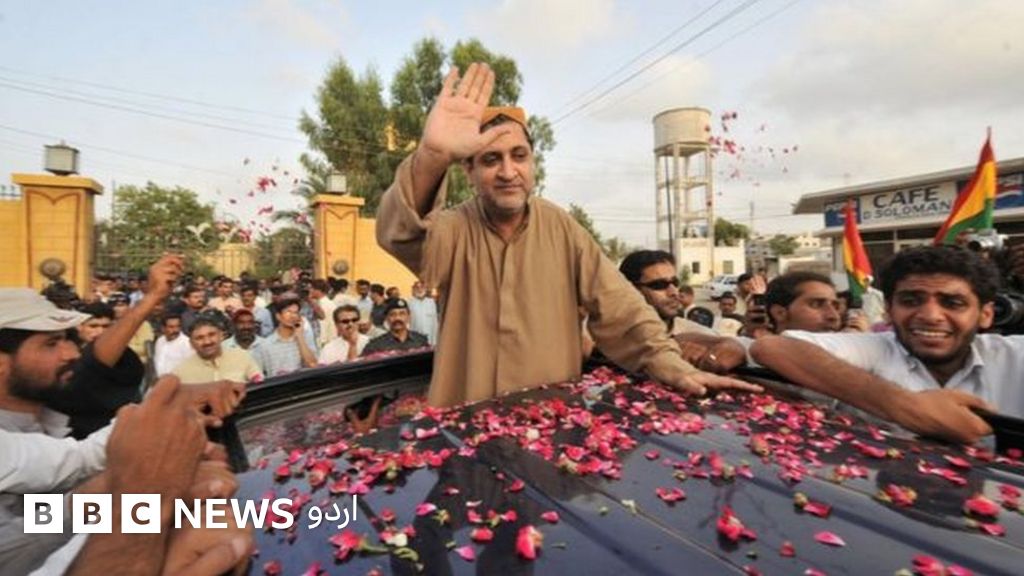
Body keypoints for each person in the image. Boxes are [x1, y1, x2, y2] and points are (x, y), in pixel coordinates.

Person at [375, 62, 759, 406]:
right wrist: (433, 156)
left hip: (548, 426)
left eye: (519, 156)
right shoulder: (455, 228)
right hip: (464, 424)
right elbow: (401, 234)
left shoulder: (561, 228)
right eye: (491, 159)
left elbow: (621, 308)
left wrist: (671, 365)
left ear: (533, 163)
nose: (508, 172)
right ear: (469, 172)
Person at [749, 245, 1010, 444]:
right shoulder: (875, 348)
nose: (930, 316)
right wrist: (907, 407)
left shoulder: (1013, 357)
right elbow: (773, 347)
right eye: (910, 301)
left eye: (953, 303)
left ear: (986, 314)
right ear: (888, 309)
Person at [619, 250, 716, 336]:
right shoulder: (614, 341)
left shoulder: (702, 338)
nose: (674, 292)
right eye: (660, 284)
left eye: (675, 282)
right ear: (633, 289)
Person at [172, 315, 261, 385]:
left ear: (221, 336)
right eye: (199, 338)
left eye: (211, 335)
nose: (207, 342)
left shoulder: (242, 357)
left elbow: (259, 384)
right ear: (191, 344)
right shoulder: (181, 373)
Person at [252, 298, 318, 377]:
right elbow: (257, 375)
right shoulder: (265, 345)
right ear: (278, 316)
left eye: (295, 313)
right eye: (288, 312)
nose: (292, 316)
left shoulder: (304, 339)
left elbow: (313, 365)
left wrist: (300, 336)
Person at [362, 299, 429, 355]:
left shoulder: (420, 341)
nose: (397, 318)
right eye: (392, 314)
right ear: (387, 318)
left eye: (402, 314)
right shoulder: (376, 346)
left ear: (409, 317)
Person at [154, 312, 194, 377]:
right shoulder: (160, 341)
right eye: (171, 327)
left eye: (178, 326)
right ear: (163, 328)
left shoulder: (187, 343)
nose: (175, 330)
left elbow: (191, 368)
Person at [407, 280, 439, 345]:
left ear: (425, 289)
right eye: (417, 287)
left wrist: (435, 340)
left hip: (430, 336)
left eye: (422, 287)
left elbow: (434, 321)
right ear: (413, 289)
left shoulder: (431, 302)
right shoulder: (409, 302)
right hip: (415, 337)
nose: (419, 290)